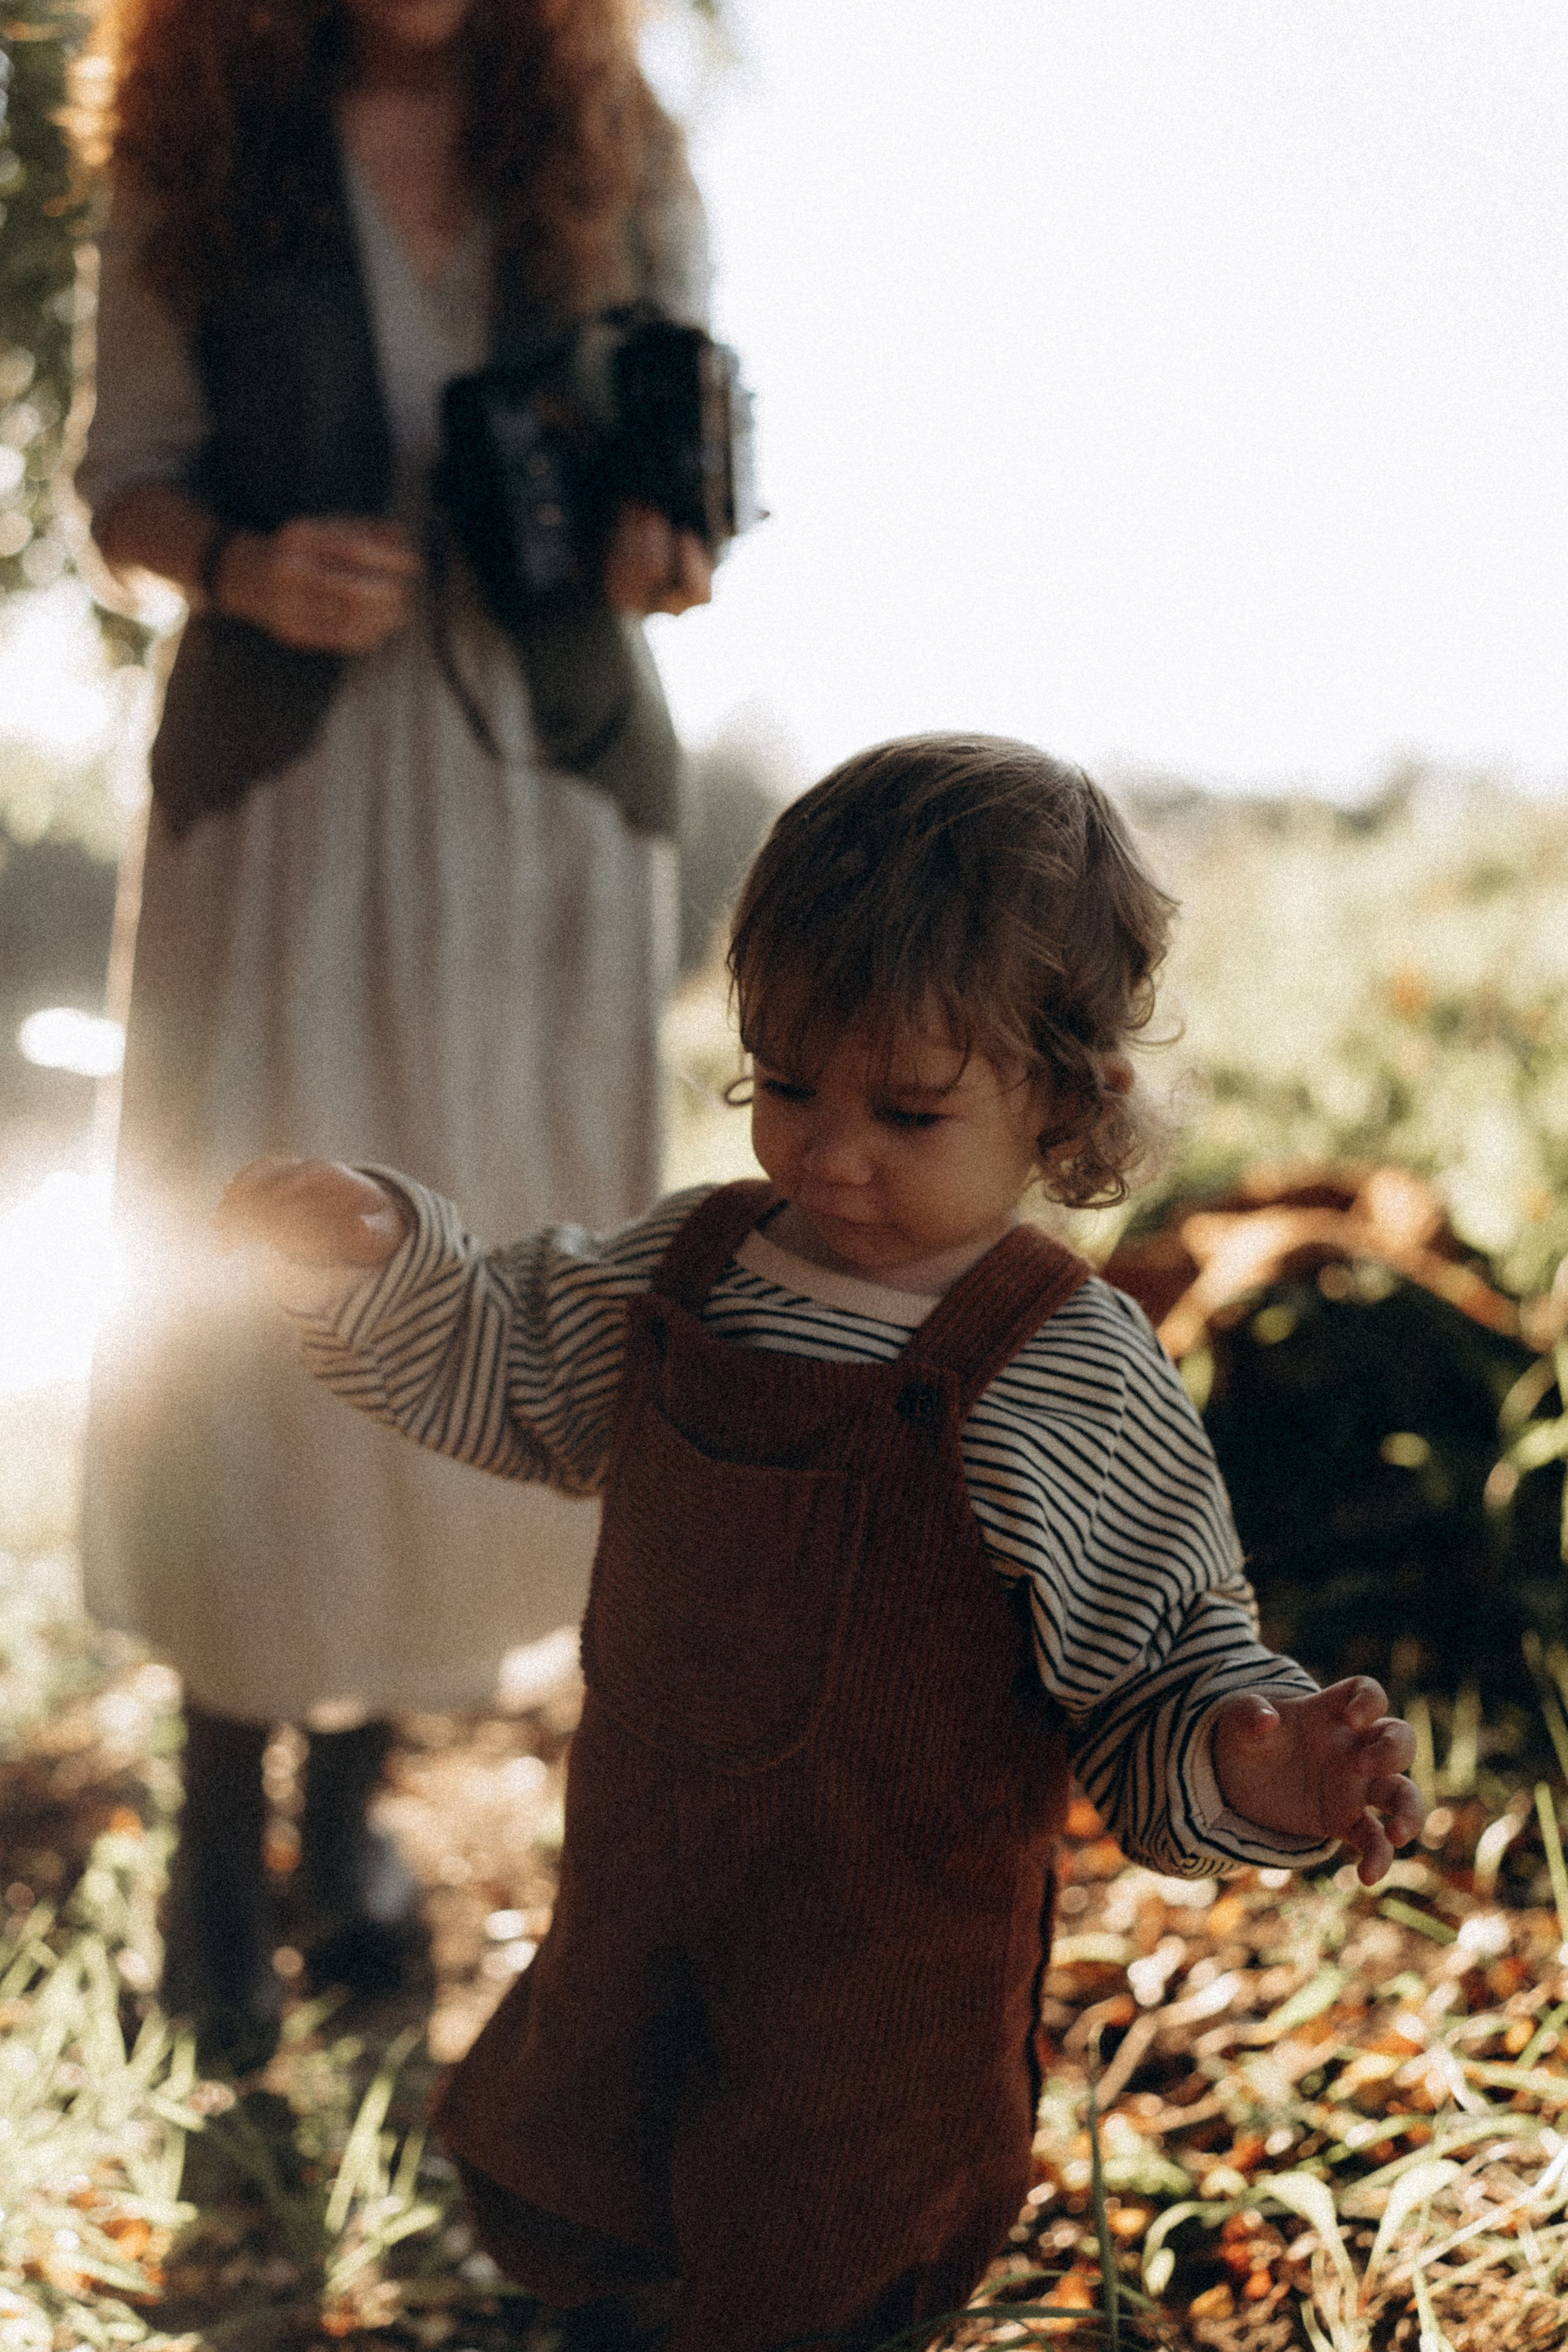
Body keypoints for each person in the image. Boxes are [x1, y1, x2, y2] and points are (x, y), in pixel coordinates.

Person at [216, 736, 1424, 2352]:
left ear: (1065, 1102)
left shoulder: (1063, 1365)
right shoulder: (698, 1268)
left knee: (815, 2268)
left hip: (881, 1991)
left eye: (907, 1110)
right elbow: (511, 1353)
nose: (828, 1152)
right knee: (610, 2211)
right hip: (641, 1915)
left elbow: (1159, 1662)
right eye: (787, 1085)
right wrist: (373, 1257)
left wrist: (1253, 1759)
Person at [74, 0, 715, 2059]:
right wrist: (246, 563)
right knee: (247, 1282)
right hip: (287, 799)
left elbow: (687, 463)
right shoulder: (197, 139)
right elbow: (120, 483)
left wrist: (664, 541)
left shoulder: (611, 136)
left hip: (541, 808)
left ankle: (349, 1812)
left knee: (482, 1288)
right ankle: (215, 1826)